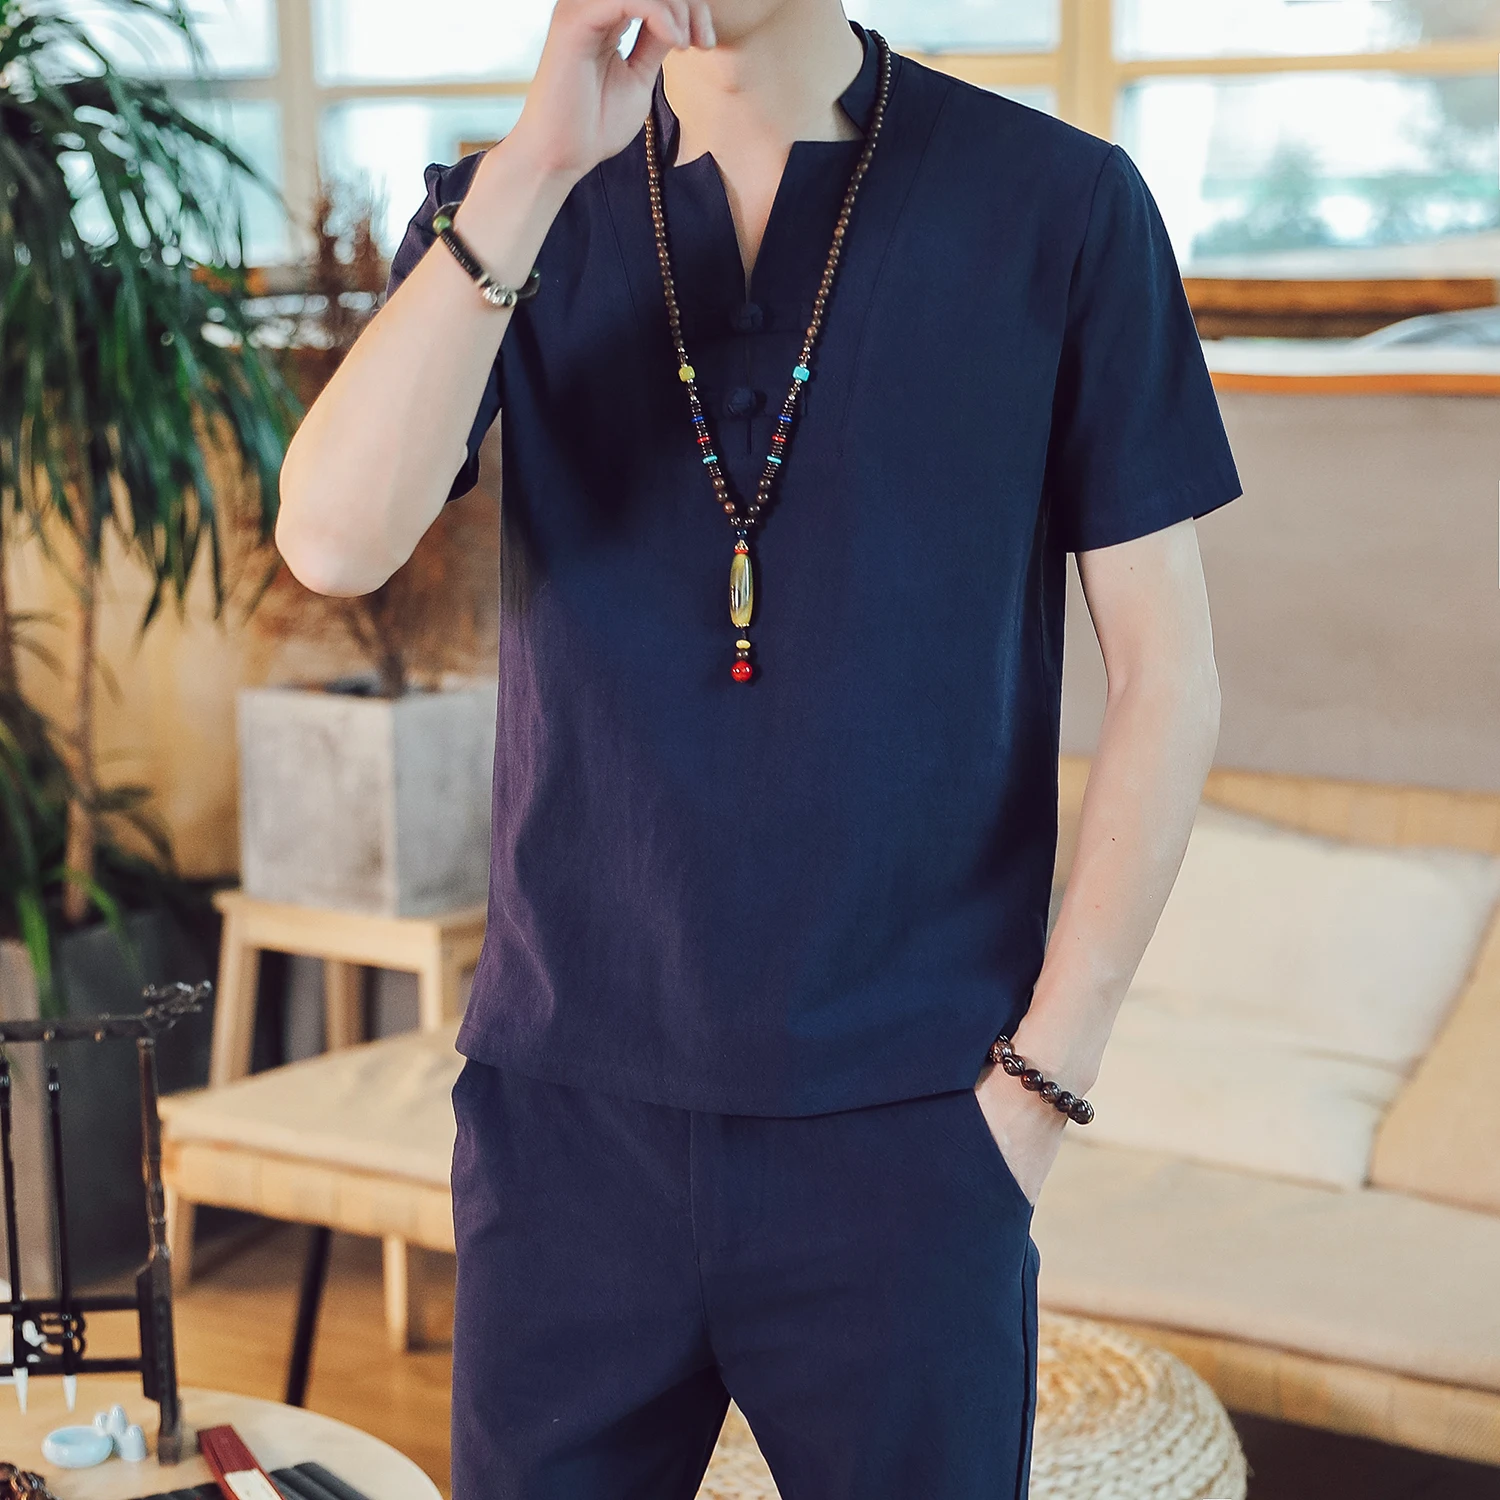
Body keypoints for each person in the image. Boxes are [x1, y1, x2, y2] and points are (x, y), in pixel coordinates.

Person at [277, 1, 1241, 1495]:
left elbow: (1169, 678)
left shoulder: (1057, 204)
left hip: (911, 1131)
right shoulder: (515, 202)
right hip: (563, 1125)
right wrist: (537, 163)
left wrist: (1041, 1085)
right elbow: (335, 544)